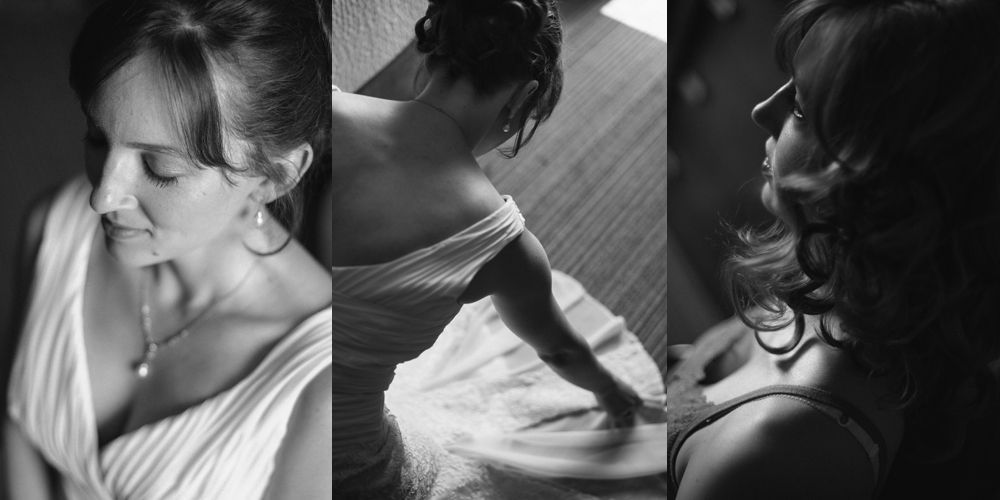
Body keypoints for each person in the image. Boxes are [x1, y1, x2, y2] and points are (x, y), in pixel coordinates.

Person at [666, 0, 1000, 498]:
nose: (763, 111)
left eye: (800, 105)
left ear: (884, 178)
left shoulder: (776, 455)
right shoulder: (840, 284)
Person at [332, 0, 664, 497]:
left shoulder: (308, 112)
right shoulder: (504, 247)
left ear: (426, 57)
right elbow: (559, 349)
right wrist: (611, 392)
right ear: (524, 95)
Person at [2, 0, 333, 498]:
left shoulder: (323, 385)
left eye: (160, 169)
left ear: (275, 175)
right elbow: (18, 426)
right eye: (97, 137)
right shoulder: (55, 225)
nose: (102, 196)